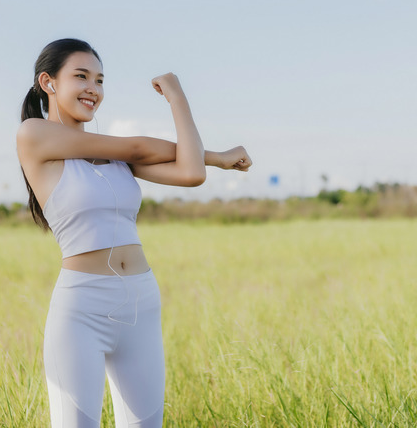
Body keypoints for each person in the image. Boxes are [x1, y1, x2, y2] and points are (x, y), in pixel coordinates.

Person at [16, 38, 252, 428]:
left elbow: (190, 173)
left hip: (141, 301)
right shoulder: (33, 134)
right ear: (49, 82)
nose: (94, 88)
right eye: (81, 76)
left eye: (100, 80)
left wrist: (179, 100)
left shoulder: (117, 158)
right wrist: (216, 154)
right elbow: (140, 147)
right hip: (82, 309)